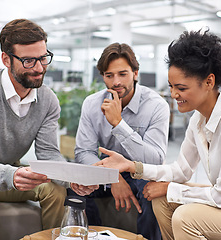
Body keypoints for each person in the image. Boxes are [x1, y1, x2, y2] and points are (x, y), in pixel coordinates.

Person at [97, 30, 221, 240]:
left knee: (185, 216)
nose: (174, 94)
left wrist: (170, 188)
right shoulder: (198, 119)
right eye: (171, 86)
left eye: (181, 88)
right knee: (162, 201)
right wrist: (132, 166)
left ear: (209, 82)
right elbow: (181, 170)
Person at [0, 19, 97, 240]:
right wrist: (10, 174)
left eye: (43, 58)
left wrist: (71, 178)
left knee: (54, 189)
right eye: (28, 61)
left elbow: (48, 154)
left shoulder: (48, 99)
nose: (38, 68)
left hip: (5, 171)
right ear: (6, 59)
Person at [73, 42, 170, 240]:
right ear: (103, 77)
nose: (116, 82)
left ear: (135, 73)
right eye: (109, 76)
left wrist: (119, 124)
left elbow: (156, 160)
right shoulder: (92, 104)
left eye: (122, 74)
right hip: (105, 171)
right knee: (74, 188)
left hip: (140, 173)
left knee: (152, 191)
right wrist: (112, 177)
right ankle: (95, 236)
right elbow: (83, 152)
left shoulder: (156, 105)